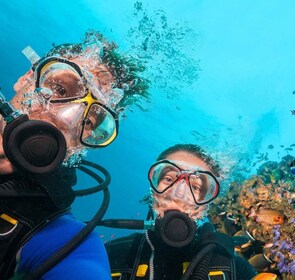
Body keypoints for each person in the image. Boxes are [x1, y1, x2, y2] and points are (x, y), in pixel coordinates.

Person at [0, 30, 149, 279]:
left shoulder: (65, 239)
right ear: (26, 78)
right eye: (59, 89)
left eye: (89, 122)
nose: (66, 119)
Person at [105, 144, 258, 280]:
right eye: (169, 179)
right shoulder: (108, 254)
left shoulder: (235, 269)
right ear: (153, 190)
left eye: (196, 187)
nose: (178, 194)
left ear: (206, 205)